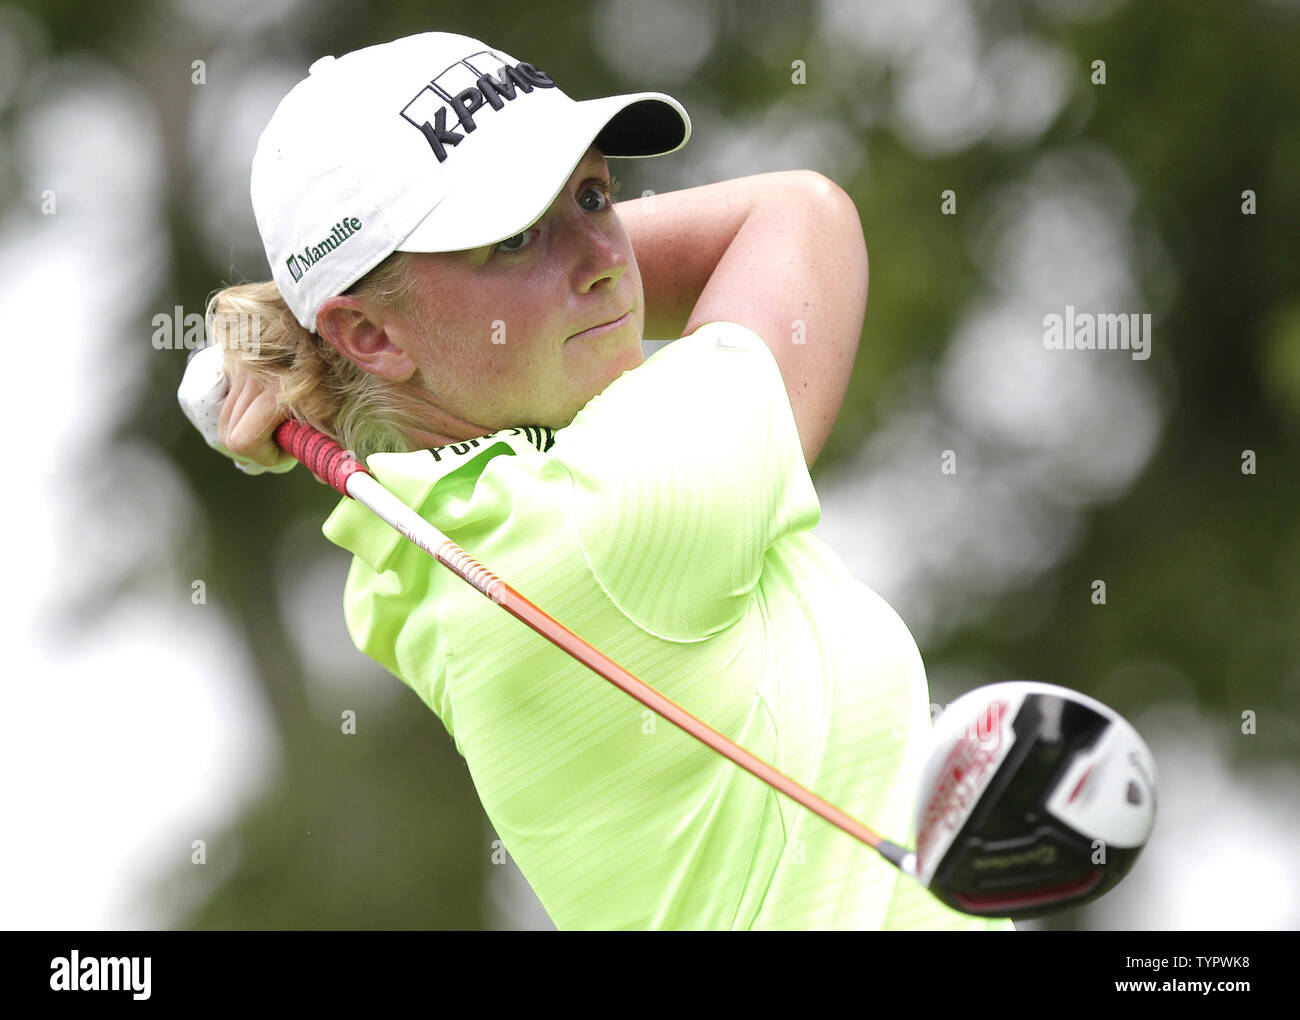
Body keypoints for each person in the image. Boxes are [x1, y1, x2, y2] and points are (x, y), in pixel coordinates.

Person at [179, 30, 1015, 932]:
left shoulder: (410, 559)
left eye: (592, 193)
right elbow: (799, 215)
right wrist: (297, 335)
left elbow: (410, 371)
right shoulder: (608, 518)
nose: (606, 258)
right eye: (515, 236)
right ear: (372, 338)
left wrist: (307, 344)